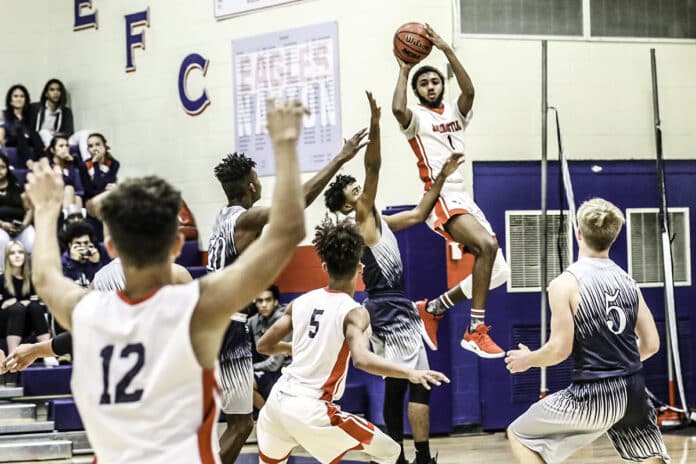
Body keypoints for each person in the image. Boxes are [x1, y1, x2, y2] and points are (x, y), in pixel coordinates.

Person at [16, 98, 307, 464]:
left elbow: (44, 276)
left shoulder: (88, 311)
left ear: (109, 245)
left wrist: (45, 210)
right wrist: (284, 143)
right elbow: (288, 230)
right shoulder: (197, 309)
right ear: (177, 244)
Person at [207, 128, 367, 464]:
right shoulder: (244, 218)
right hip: (228, 326)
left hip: (208, 324)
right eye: (257, 178)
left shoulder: (220, 218)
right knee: (239, 425)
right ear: (252, 185)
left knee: (223, 423)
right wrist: (340, 158)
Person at [324, 91, 461, 464]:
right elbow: (374, 169)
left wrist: (442, 179)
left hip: (393, 304)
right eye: (353, 191)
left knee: (401, 387)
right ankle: (416, 458)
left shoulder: (377, 222)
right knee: (416, 385)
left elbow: (418, 214)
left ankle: (400, 457)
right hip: (390, 306)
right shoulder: (363, 217)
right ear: (348, 205)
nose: (360, 190)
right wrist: (377, 123)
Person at [255, 220, 449, 464]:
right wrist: (410, 372)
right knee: (390, 451)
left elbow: (264, 345)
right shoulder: (355, 312)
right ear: (360, 268)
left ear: (324, 266)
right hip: (311, 409)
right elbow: (362, 359)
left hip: (275, 404)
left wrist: (293, 348)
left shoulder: (300, 302)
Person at [505, 198, 670, 464]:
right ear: (613, 237)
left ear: (578, 233)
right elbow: (651, 344)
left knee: (519, 433)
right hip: (633, 391)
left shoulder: (565, 284)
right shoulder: (628, 282)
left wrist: (529, 359)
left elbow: (560, 350)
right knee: (651, 458)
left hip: (593, 395)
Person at [391, 23, 510, 357]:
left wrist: (447, 50)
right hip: (439, 195)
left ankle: (433, 309)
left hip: (464, 196)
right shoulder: (415, 118)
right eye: (424, 83)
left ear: (442, 84)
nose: (430, 86)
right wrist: (404, 70)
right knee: (485, 245)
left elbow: (470, 91)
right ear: (417, 90)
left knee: (500, 271)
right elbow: (397, 109)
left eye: (434, 81)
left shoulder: (457, 113)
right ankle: (474, 329)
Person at [0, 241, 54, 376]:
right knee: (17, 308)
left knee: (34, 307)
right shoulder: (1, 280)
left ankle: (48, 352)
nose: (17, 256)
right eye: (12, 253)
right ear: (7, 257)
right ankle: (13, 356)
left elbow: (38, 302)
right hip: (5, 323)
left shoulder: (32, 279)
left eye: (20, 252)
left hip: (28, 323)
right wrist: (4, 305)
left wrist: (25, 302)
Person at [248, 285, 290, 409]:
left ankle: (268, 417)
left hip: (286, 371)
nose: (264, 305)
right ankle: (266, 416)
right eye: (260, 301)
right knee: (240, 382)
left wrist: (250, 368)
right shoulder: (254, 321)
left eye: (268, 300)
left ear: (276, 301)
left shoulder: (284, 321)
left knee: (244, 382)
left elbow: (275, 364)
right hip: (269, 372)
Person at [0, 151, 34, 267]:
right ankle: (3, 275)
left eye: (2, 167)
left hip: (21, 227)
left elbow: (29, 210)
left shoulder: (17, 186)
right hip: (1, 228)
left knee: (32, 240)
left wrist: (23, 225)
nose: (0, 171)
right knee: (1, 240)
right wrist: (3, 224)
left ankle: (31, 277)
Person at [0, 84, 44, 163]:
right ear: (10, 100)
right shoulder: (4, 114)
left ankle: (45, 161)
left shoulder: (29, 117)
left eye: (22, 96)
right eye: (15, 96)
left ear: (25, 100)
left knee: (35, 134)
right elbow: (1, 137)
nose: (19, 99)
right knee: (20, 133)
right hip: (11, 140)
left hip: (27, 141)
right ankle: (29, 163)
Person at [30, 78, 75, 148]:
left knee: (85, 133)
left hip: (59, 139)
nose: (55, 93)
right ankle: (52, 153)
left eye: (58, 90)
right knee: (44, 132)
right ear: (46, 94)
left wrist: (55, 134)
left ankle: (89, 159)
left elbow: (69, 132)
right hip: (39, 139)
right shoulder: (35, 108)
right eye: (52, 90)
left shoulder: (66, 111)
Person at [47, 133, 83, 216]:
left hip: (68, 198)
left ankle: (73, 225)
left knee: (78, 198)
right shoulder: (49, 166)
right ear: (52, 150)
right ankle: (69, 224)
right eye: (61, 146)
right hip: (52, 200)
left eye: (67, 146)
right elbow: (67, 183)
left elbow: (74, 183)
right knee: (69, 189)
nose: (65, 149)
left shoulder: (72, 165)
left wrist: (71, 163)